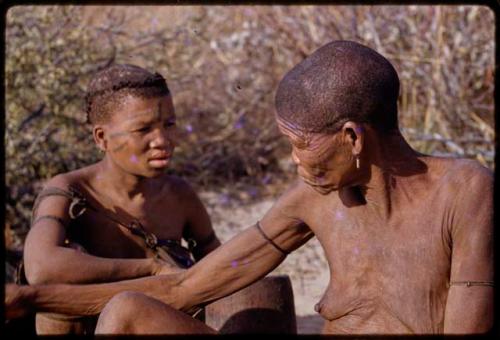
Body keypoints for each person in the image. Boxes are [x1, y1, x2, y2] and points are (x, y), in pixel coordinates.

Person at [5, 40, 493, 335]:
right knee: (128, 313)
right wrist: (29, 300)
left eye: (300, 145)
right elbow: (186, 286)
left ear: (351, 137)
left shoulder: (463, 192)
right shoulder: (313, 201)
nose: (294, 159)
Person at [16, 64, 221, 334]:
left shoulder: (178, 195)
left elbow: (220, 266)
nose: (162, 140)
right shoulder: (70, 191)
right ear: (102, 138)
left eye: (169, 125)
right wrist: (152, 269)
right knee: (57, 305)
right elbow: (42, 268)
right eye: (143, 129)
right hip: (93, 325)